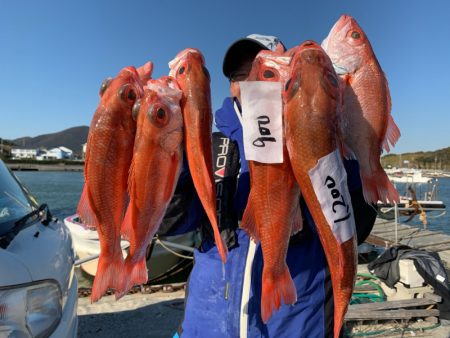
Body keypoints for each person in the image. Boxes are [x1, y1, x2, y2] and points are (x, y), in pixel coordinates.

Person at [171, 34, 377, 338]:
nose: (249, 81)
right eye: (239, 75)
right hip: (205, 323)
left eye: (264, 70)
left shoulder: (321, 139)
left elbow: (357, 225)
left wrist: (330, 137)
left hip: (297, 323)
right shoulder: (208, 146)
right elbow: (174, 222)